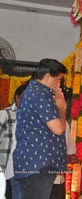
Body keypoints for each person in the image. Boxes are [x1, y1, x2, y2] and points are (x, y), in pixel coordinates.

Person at [13, 58, 68, 199]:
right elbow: (58, 128)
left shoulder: (35, 92)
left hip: (36, 163)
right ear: (48, 76)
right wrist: (61, 107)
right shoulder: (40, 93)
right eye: (58, 79)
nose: (59, 84)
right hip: (38, 163)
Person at [0, 84, 27, 199]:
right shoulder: (5, 114)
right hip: (4, 162)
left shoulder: (31, 116)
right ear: (17, 97)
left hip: (21, 165)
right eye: (23, 97)